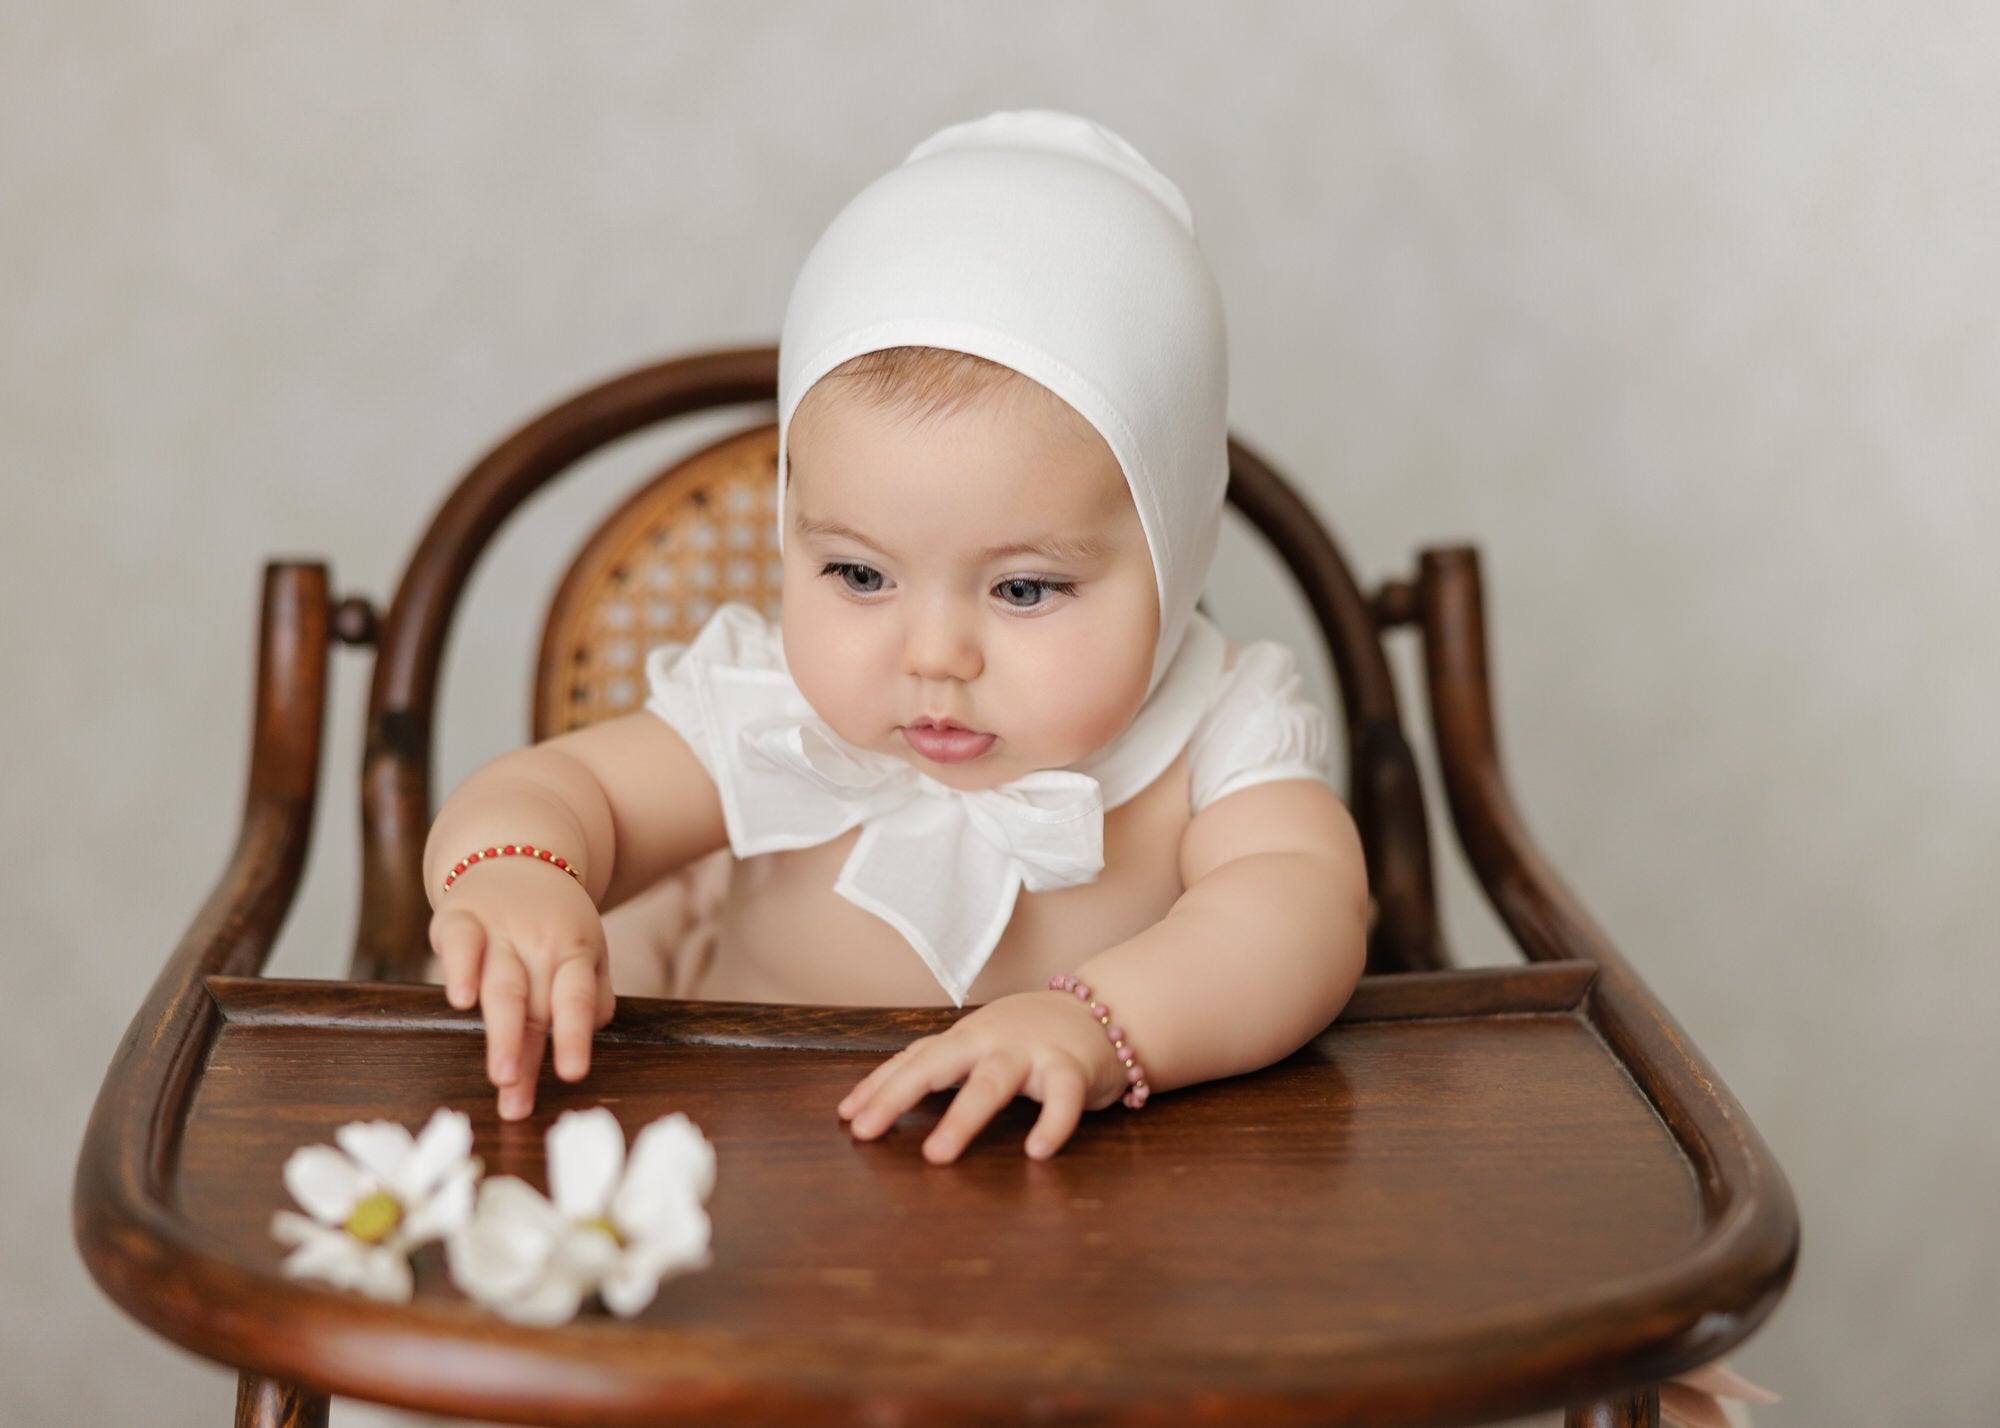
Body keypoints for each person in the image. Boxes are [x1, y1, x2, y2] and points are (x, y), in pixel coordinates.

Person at [423, 109, 1368, 1164]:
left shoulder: (1217, 729)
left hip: (1087, 1203)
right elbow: (565, 794)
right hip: (750, 1173)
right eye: (860, 574)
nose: (933, 656)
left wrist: (1101, 1025)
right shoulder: (771, 703)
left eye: (1021, 589)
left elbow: (1300, 909)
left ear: (1173, 554)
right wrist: (518, 867)